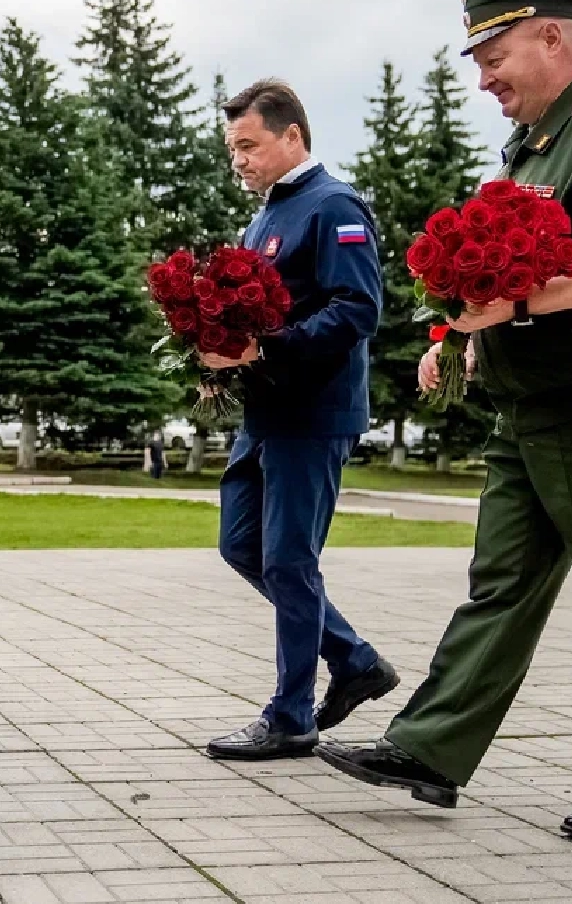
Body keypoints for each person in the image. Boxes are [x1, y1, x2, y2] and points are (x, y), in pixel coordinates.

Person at [318, 0, 572, 846]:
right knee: (499, 586)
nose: (485, 79)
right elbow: (503, 277)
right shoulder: (530, 147)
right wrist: (463, 335)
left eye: (495, 58)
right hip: (532, 404)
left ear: (553, 41)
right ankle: (429, 748)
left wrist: (514, 308)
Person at [200, 80, 399, 760]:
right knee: (243, 547)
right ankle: (355, 660)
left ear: (292, 136)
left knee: (288, 559)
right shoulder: (266, 216)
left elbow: (357, 307)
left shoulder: (332, 205)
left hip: (314, 412)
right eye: (233, 150)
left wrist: (267, 348)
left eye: (249, 145)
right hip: (266, 411)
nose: (240, 161)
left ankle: (290, 717)